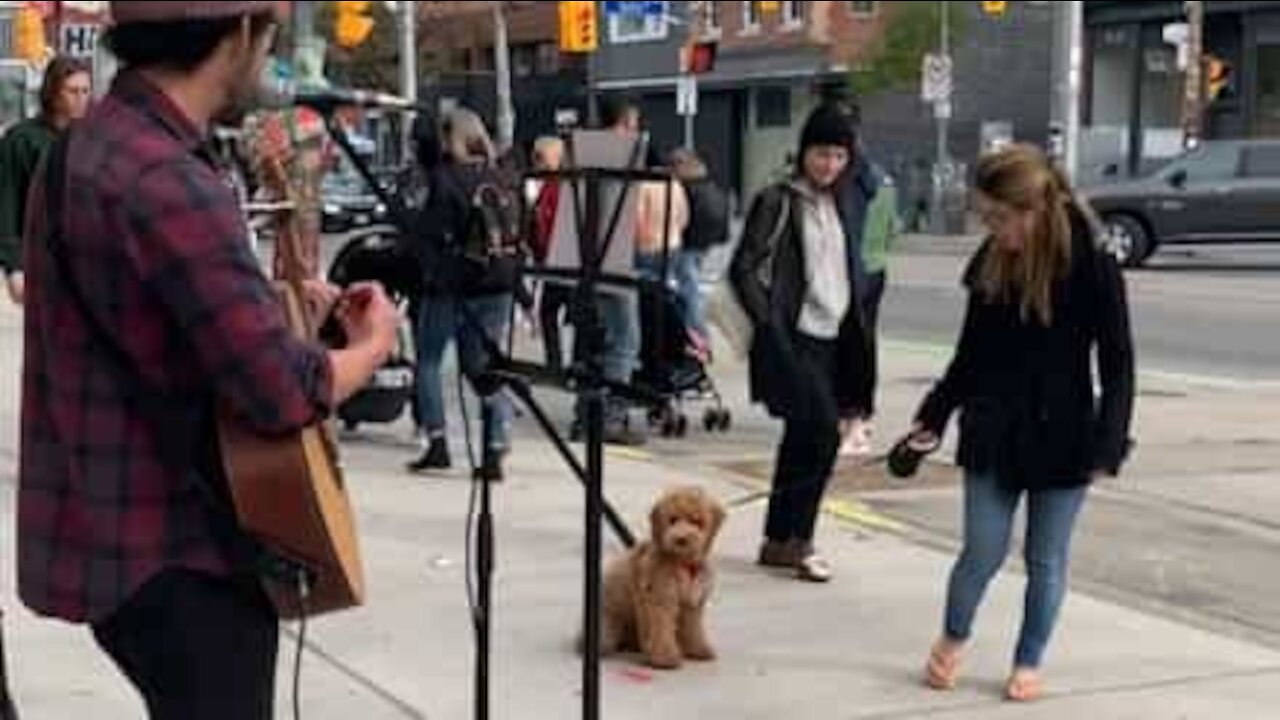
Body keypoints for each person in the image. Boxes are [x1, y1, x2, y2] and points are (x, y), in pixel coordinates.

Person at [16, 3, 401, 717]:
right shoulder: (169, 179)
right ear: (239, 35)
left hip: (108, 536)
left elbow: (148, 322)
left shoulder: (84, 148)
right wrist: (373, 345)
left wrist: (282, 312)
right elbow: (284, 392)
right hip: (180, 549)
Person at [907, 144, 1134, 702]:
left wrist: (1109, 441)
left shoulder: (1092, 262)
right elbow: (969, 355)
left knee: (1046, 558)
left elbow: (1118, 359)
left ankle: (1028, 659)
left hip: (1065, 434)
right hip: (994, 428)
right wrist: (933, 415)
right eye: (987, 218)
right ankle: (953, 637)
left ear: (1032, 209)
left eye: (999, 218)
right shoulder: (992, 262)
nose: (993, 229)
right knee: (982, 550)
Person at [730, 104, 874, 583]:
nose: (829, 165)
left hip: (838, 338)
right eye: (820, 153)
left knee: (801, 439)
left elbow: (858, 260)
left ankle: (778, 540)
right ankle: (801, 540)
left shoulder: (847, 200)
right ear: (803, 153)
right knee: (821, 435)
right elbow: (743, 266)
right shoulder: (778, 199)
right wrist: (768, 323)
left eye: (838, 155)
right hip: (795, 336)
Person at [406, 108, 517, 482]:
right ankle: (495, 445)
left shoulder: (444, 178)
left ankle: (437, 441)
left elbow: (428, 231)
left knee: (429, 360)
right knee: (482, 366)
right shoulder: (502, 176)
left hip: (452, 285)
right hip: (497, 282)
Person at [0, 56, 92, 306]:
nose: (81, 98)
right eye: (72, 91)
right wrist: (13, 268)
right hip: (40, 262)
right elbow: (6, 206)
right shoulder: (20, 140)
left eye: (85, 91)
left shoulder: (96, 139)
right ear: (52, 91)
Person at [669, 148, 728, 348]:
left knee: (689, 287)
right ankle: (694, 332)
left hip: (690, 240)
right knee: (690, 283)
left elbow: (681, 216)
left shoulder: (683, 185)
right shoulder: (706, 181)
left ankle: (698, 335)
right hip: (706, 239)